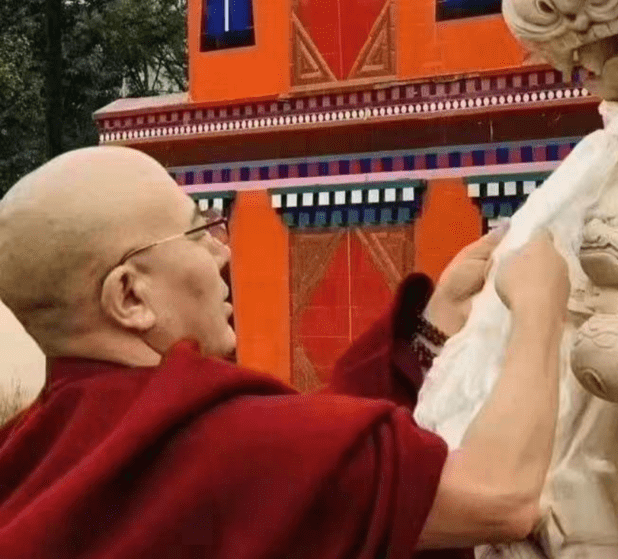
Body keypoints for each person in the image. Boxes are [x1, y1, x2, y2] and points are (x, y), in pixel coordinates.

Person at [0, 146, 570, 559]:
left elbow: (302, 471)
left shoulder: (30, 452)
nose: (222, 253)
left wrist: (433, 327)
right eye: (199, 233)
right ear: (130, 296)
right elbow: (501, 496)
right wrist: (540, 305)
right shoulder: (220, 446)